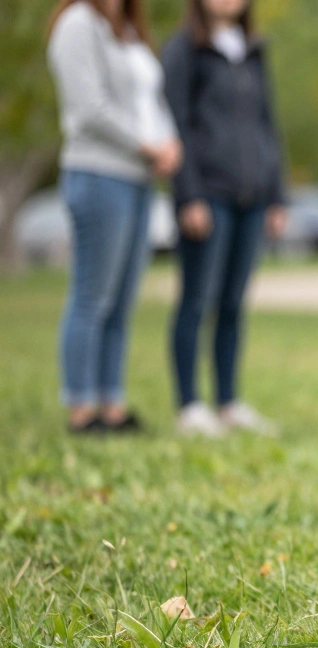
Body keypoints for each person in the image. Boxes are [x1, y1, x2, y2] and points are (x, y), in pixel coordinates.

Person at [47, 0, 183, 434]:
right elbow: (89, 109)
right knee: (93, 294)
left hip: (139, 179)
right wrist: (147, 145)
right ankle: (81, 407)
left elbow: (152, 102)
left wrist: (170, 142)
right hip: (98, 172)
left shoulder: (127, 30)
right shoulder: (77, 24)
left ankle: (112, 404)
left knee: (122, 299)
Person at [162, 0, 287, 437]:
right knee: (197, 299)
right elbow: (175, 123)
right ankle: (189, 404)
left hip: (251, 196)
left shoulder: (253, 50)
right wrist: (188, 194)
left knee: (233, 303)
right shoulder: (185, 49)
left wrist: (276, 196)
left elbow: (267, 126)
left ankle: (228, 401)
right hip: (207, 195)